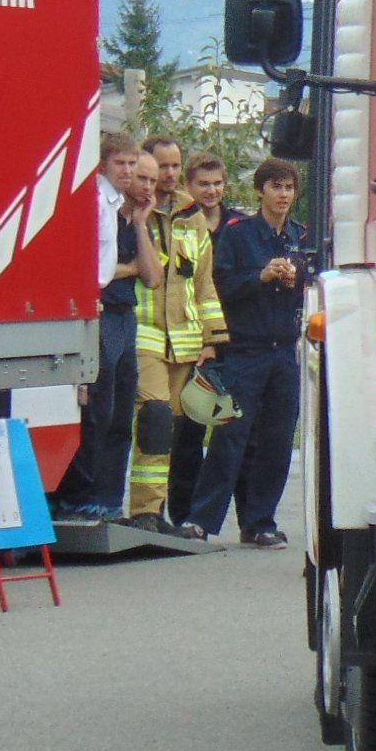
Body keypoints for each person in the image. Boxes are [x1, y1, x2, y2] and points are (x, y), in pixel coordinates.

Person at [182, 159, 309, 547]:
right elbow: (220, 287)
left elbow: (316, 284)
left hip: (284, 352)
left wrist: (297, 278)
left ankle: (259, 522)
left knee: (276, 441)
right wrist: (260, 277)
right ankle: (201, 519)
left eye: (288, 188)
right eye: (276, 187)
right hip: (245, 349)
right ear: (260, 191)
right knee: (230, 436)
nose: (283, 195)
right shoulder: (238, 234)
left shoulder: (301, 236)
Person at [58, 133, 158, 522]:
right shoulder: (97, 203)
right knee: (97, 409)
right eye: (123, 165)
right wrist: (128, 269)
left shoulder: (128, 213)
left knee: (119, 413)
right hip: (100, 310)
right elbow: (93, 269)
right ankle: (83, 495)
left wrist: (141, 226)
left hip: (124, 314)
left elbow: (152, 276)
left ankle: (110, 496)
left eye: (134, 166)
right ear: (102, 165)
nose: (131, 174)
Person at [127, 146, 226, 528]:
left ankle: (168, 514)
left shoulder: (191, 215)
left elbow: (203, 283)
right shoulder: (135, 211)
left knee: (179, 433)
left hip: (185, 342)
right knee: (155, 419)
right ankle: (146, 510)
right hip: (145, 333)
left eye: (174, 166)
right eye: (162, 166)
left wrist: (211, 339)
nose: (168, 174)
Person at [164, 153, 237, 526]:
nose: (212, 191)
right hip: (191, 343)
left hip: (231, 339)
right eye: (203, 184)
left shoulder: (238, 225)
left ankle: (215, 515)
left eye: (217, 183)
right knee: (186, 434)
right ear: (188, 186)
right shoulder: (180, 224)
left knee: (231, 432)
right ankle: (182, 514)